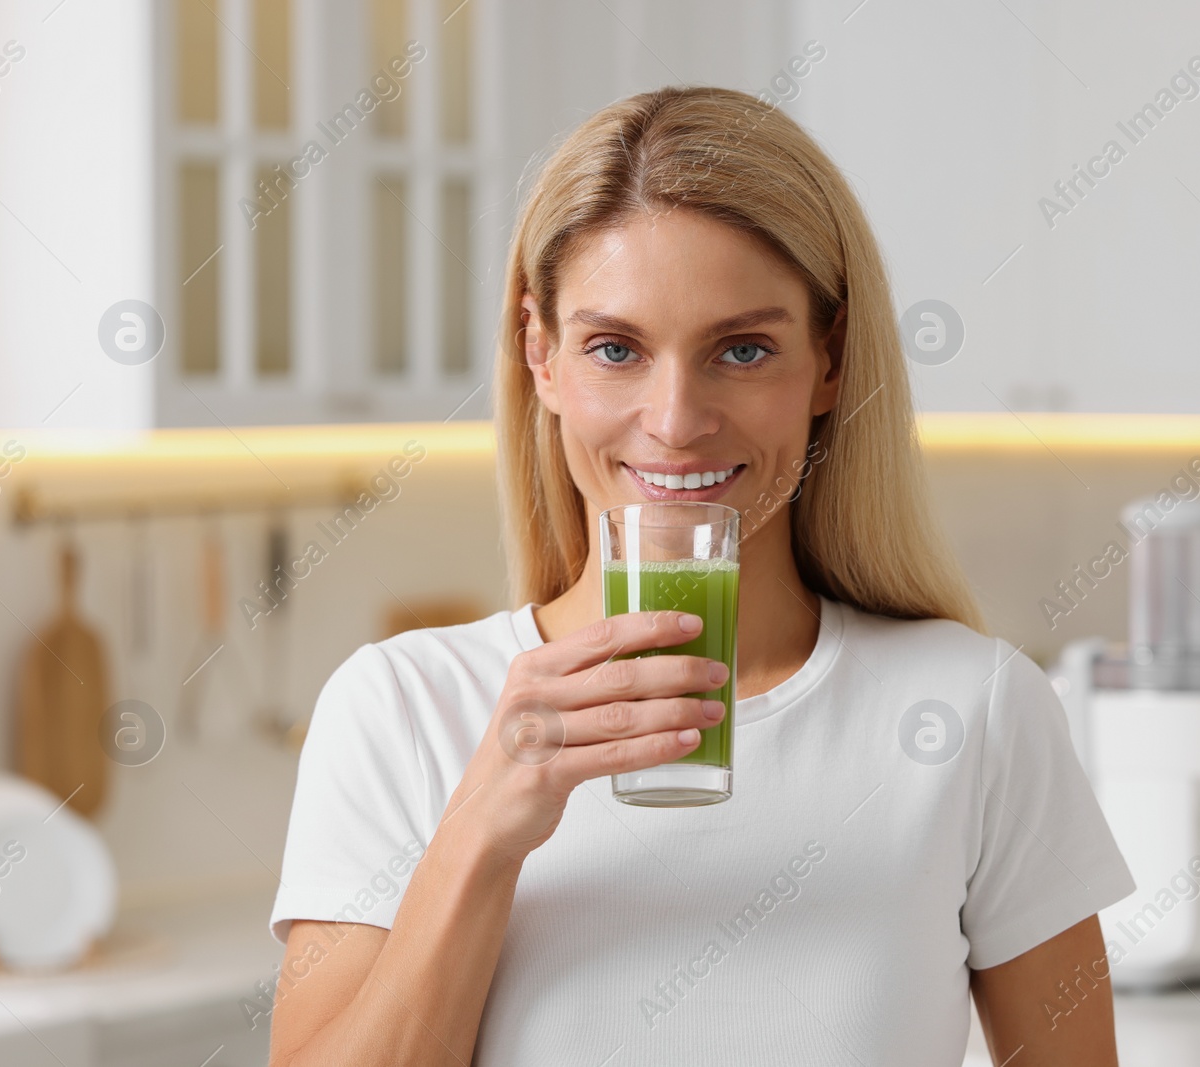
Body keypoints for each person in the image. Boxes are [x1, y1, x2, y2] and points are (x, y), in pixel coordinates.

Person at [267, 85, 1135, 1066]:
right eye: (614, 348)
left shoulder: (974, 708)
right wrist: (481, 828)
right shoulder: (401, 708)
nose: (676, 419)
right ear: (539, 352)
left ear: (830, 360)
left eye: (742, 348)